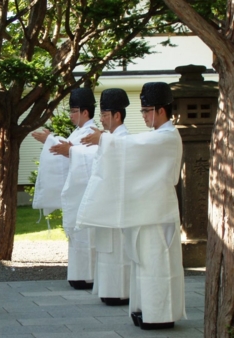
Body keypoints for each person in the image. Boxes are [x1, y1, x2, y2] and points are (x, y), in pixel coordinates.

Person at [78, 82, 185, 329]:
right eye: (143, 111)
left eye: (146, 110)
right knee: (143, 262)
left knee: (157, 262)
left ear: (160, 110)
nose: (144, 116)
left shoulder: (168, 136)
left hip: (157, 212)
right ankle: (145, 309)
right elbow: (134, 152)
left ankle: (160, 314)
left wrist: (104, 139)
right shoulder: (156, 136)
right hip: (146, 208)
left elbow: (134, 148)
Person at [32, 87, 97, 290]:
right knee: (77, 235)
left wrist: (53, 142)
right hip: (77, 192)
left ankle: (87, 275)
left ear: (85, 112)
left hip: (85, 193)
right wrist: (52, 141)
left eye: (73, 111)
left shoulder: (92, 133)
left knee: (86, 234)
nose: (70, 115)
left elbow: (87, 156)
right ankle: (79, 274)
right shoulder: (79, 132)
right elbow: (71, 150)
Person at [87, 88, 131, 306]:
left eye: (105, 115)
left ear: (117, 116)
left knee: (119, 249)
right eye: (101, 115)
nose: (102, 120)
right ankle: (109, 290)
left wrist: (103, 139)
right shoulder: (109, 139)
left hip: (118, 205)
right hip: (105, 202)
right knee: (106, 248)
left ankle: (120, 291)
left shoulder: (123, 140)